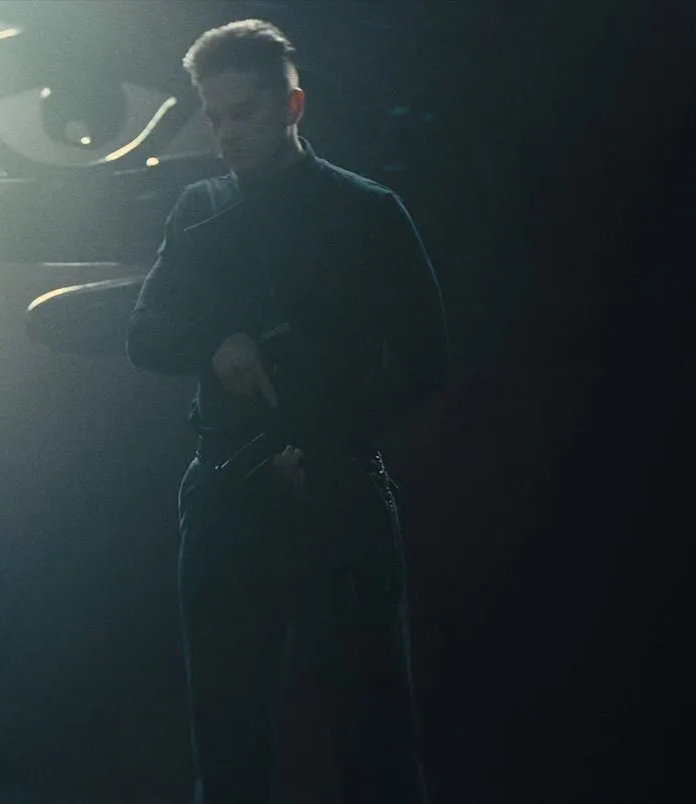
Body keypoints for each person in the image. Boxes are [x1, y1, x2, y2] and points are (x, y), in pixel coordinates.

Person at [125, 20, 447, 804]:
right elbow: (146, 335)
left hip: (339, 490)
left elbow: (425, 357)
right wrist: (216, 344)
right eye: (216, 116)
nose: (227, 131)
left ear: (292, 106)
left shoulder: (367, 211)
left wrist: (328, 441)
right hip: (228, 495)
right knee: (227, 737)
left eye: (244, 112)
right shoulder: (199, 208)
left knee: (375, 732)